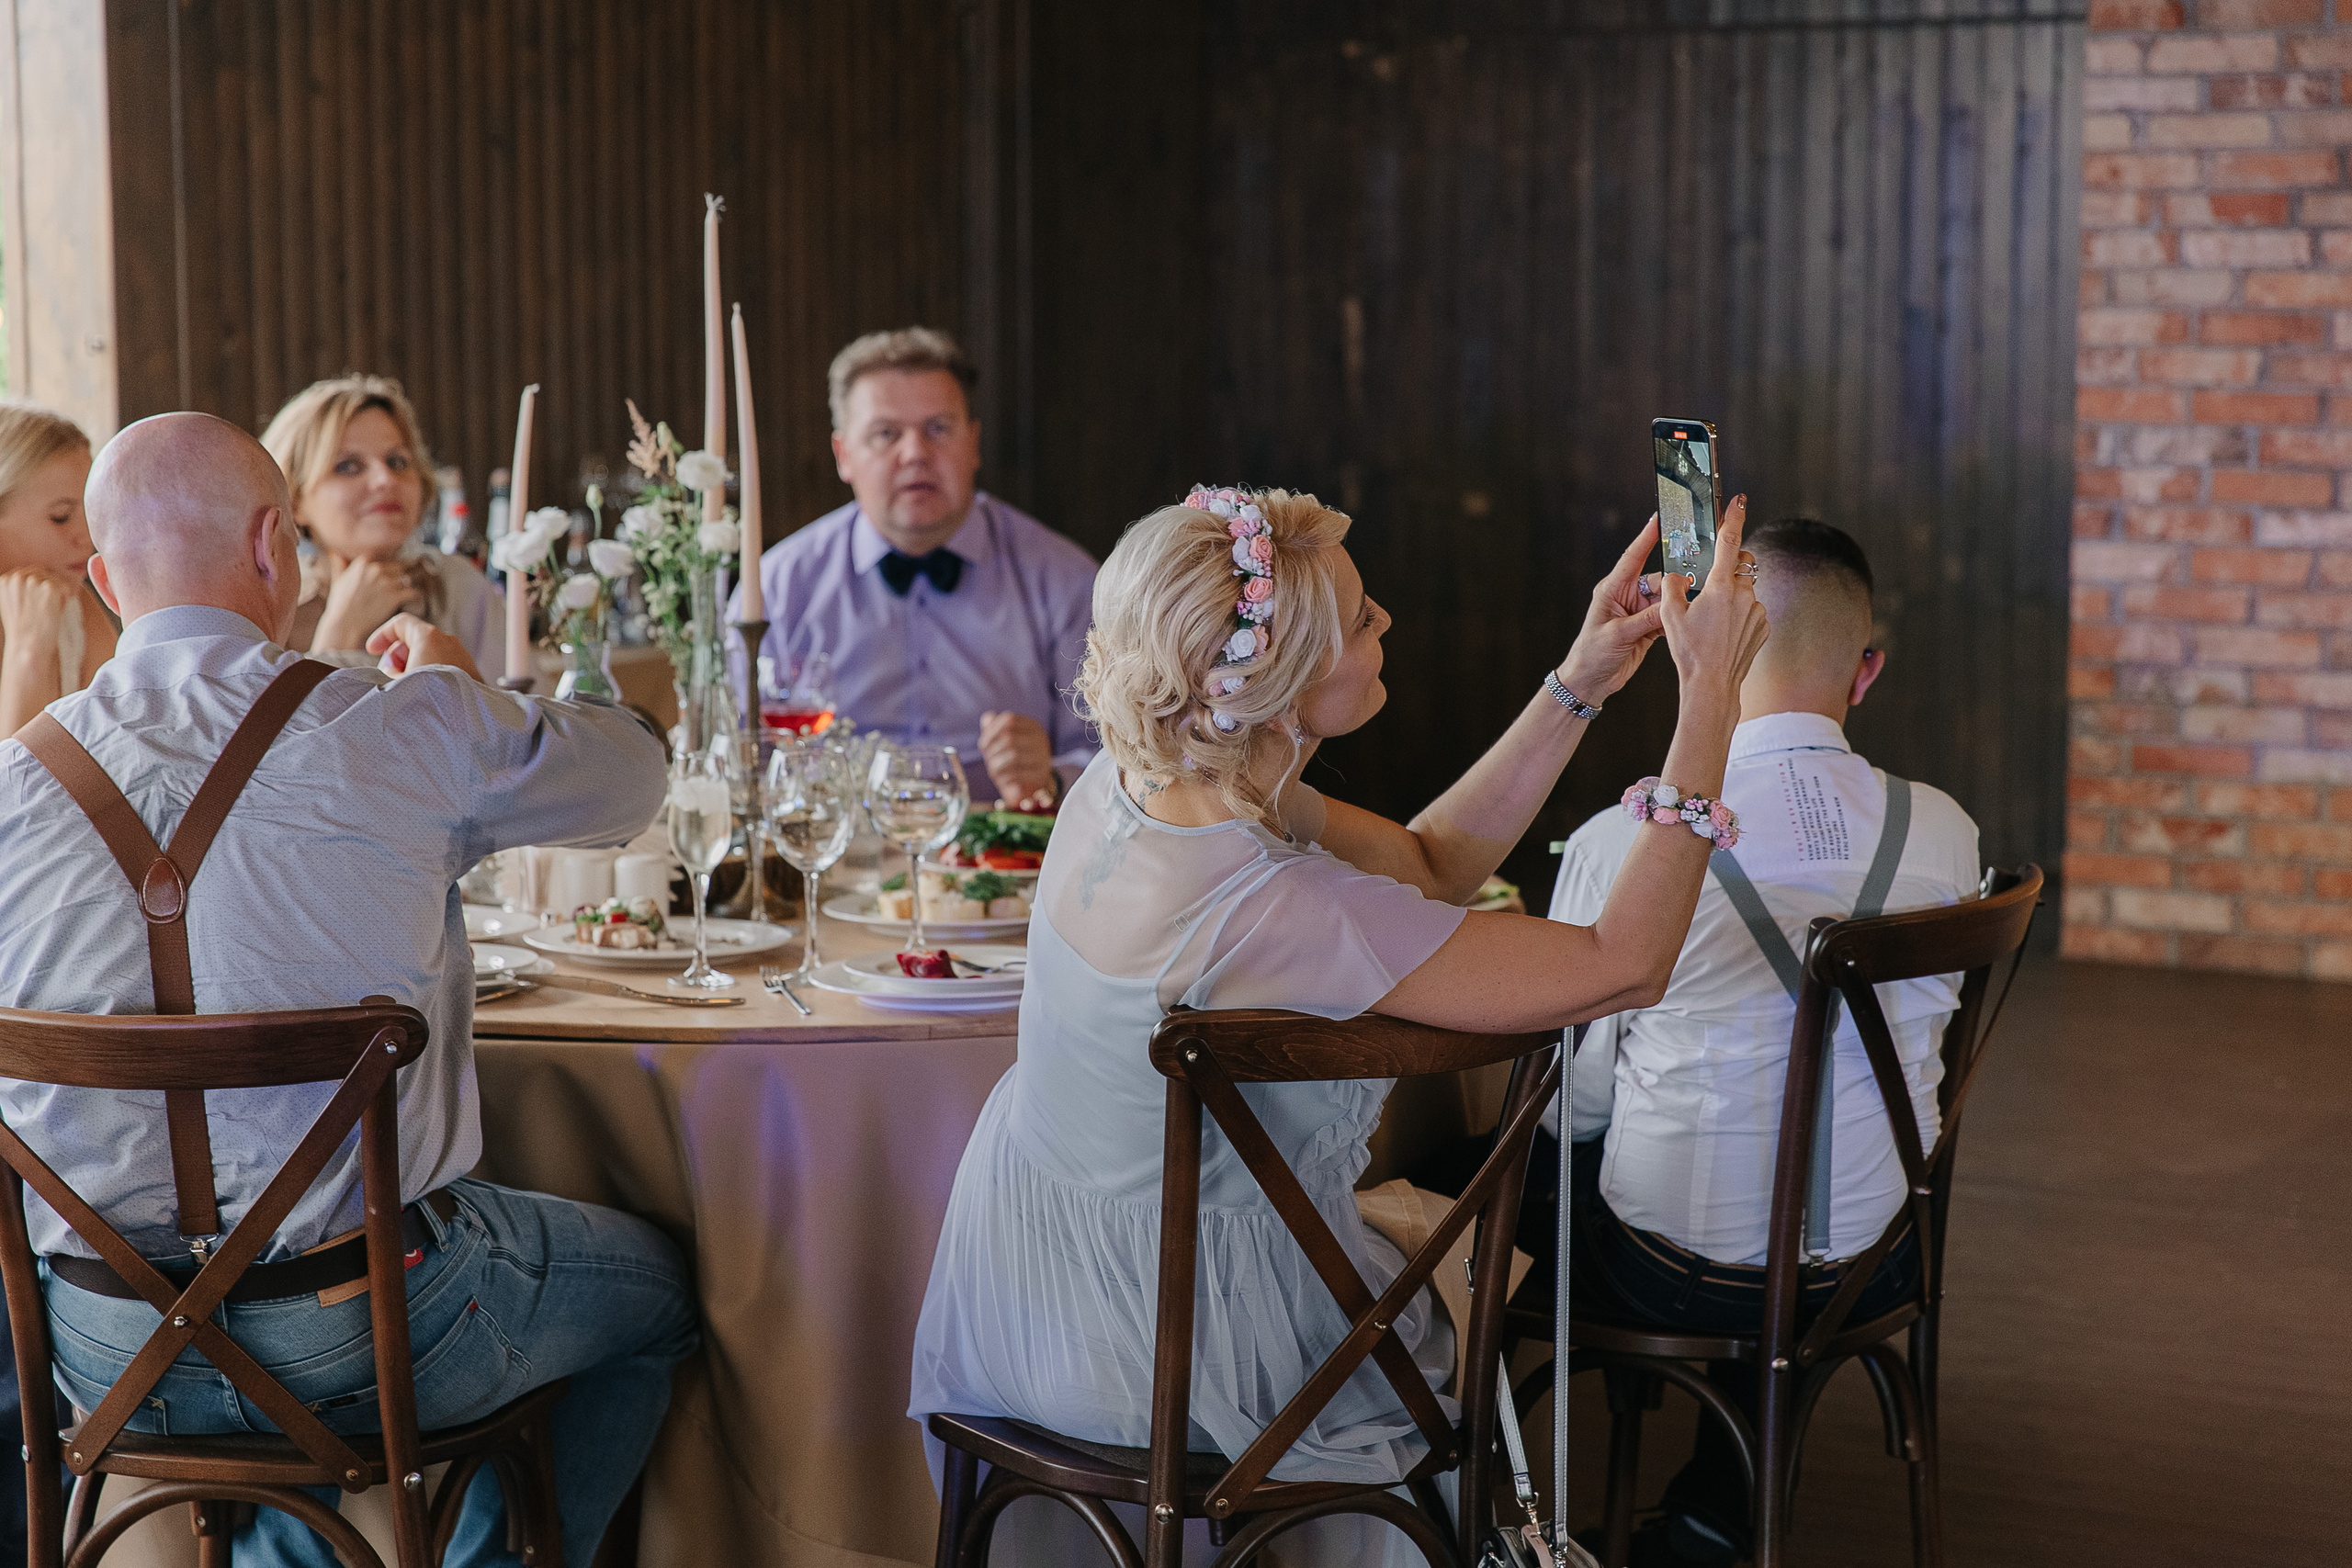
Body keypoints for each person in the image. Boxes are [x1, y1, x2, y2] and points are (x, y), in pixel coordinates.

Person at [909, 483, 1769, 1562]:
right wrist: (1710, 705)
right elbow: (1623, 966)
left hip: (1030, 1298)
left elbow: (1429, 864)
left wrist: (1582, 680)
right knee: (1462, 1273)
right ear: (1279, 688)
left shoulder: (1136, 780)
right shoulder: (1276, 905)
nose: (1386, 625)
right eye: (1363, 620)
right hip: (1188, 1350)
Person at [0, 412, 695, 1567]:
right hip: (371, 1333)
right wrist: (470, 691)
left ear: (106, 581)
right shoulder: (394, 721)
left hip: (101, 1352)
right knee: (668, 1291)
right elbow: (634, 780)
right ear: (278, 545)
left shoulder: (10, 785)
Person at [1543, 517, 1981, 1567]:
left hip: (1673, 1274)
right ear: (1864, 674)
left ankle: (1558, 1503)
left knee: (1532, 1170)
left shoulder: (1620, 846)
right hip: (1877, 1263)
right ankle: (1714, 1512)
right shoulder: (1947, 830)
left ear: (1702, 651)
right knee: (1771, 1146)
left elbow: (1574, 1105)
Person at [735, 327, 1095, 808]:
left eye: (938, 429)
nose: (915, 453)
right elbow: (733, 749)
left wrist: (1051, 778)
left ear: (974, 442)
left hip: (1004, 860)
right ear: (844, 455)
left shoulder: (1067, 581)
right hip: (830, 850)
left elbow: (1125, 756)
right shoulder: (778, 586)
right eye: (886, 433)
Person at [260, 374, 508, 680]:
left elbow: (520, 720)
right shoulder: (267, 606)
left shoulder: (459, 587)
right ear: (294, 499)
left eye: (398, 461)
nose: (385, 480)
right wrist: (338, 636)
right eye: (348, 466)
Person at [0, 403, 114, 736]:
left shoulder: (78, 609)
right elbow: (13, 786)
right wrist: (29, 651)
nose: (88, 539)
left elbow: (116, 755)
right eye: (61, 516)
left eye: (91, 513)